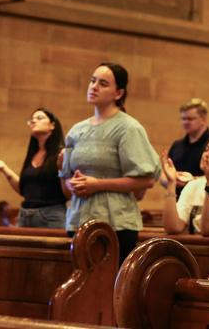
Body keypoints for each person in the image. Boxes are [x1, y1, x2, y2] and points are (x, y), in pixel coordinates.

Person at [59, 62, 160, 265]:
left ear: (118, 93)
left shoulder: (128, 128)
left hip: (117, 224)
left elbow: (146, 180)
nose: (94, 87)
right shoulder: (77, 131)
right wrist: (72, 183)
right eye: (92, 81)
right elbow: (66, 187)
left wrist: (97, 185)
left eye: (103, 83)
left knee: (108, 286)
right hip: (79, 219)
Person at [0, 108, 68, 228]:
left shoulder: (62, 154)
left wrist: (62, 170)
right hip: (25, 215)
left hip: (51, 216)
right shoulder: (33, 154)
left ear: (52, 125)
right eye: (31, 120)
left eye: (39, 118)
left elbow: (69, 193)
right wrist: (4, 169)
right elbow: (24, 190)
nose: (34, 121)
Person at [167, 98, 209, 195]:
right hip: (178, 201)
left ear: (203, 119)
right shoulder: (177, 145)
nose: (185, 122)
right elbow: (165, 173)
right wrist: (171, 180)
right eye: (183, 119)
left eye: (190, 119)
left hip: (203, 200)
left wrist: (189, 181)